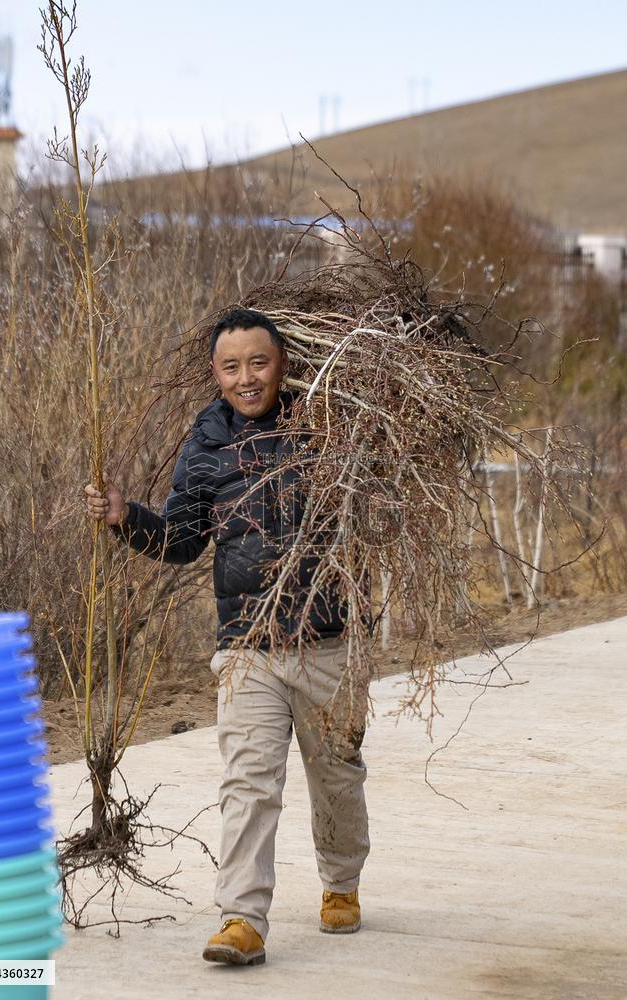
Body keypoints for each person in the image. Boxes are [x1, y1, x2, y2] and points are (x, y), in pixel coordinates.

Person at [85, 308, 371, 967]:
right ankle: (242, 918)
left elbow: (374, 502)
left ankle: (341, 882)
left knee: (336, 777)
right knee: (248, 781)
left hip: (326, 640)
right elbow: (183, 541)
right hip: (247, 645)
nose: (247, 378)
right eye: (231, 367)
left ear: (283, 365)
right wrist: (127, 517)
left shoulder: (326, 424)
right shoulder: (207, 444)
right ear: (215, 375)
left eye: (259, 363)